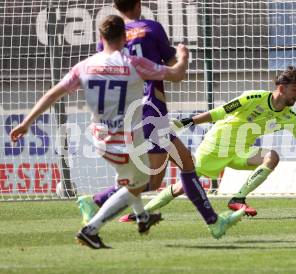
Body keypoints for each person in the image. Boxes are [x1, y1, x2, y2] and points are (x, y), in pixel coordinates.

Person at [11, 14, 188, 249]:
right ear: (125, 38)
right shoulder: (135, 64)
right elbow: (176, 75)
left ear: (100, 37)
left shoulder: (84, 66)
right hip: (126, 140)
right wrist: (183, 57)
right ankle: (90, 229)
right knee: (138, 183)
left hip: (99, 139)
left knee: (127, 177)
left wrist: (26, 123)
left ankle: (143, 217)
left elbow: (53, 94)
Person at [76, 0, 245, 241]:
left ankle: (215, 223)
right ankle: (95, 201)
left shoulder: (109, 38)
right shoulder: (151, 28)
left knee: (185, 161)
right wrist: (183, 56)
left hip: (127, 110)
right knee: (154, 179)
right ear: (139, 3)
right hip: (151, 109)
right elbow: (171, 67)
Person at [118, 66, 296, 221]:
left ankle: (238, 198)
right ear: (281, 88)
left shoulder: (289, 117)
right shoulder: (252, 98)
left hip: (241, 153)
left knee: (272, 156)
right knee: (183, 186)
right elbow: (218, 113)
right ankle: (142, 211)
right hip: (215, 147)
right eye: (295, 90)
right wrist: (183, 123)